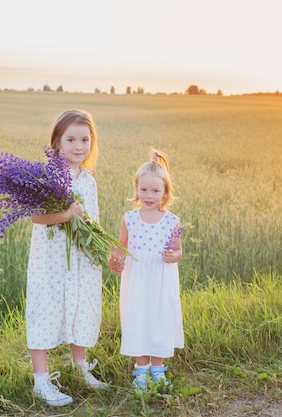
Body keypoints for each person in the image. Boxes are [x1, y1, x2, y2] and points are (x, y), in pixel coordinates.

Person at [26, 109, 108, 407]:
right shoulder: (47, 175)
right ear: (57, 143)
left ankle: (80, 368)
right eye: (71, 139)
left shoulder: (88, 179)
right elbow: (36, 217)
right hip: (51, 259)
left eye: (85, 139)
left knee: (80, 308)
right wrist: (67, 214)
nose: (78, 146)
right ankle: (41, 381)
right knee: (46, 309)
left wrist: (102, 248)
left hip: (82, 258)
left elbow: (92, 221)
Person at [107, 149, 184, 388]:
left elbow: (179, 251)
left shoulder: (172, 221)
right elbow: (122, 245)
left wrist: (173, 256)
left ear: (165, 192)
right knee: (138, 317)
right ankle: (141, 368)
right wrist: (115, 260)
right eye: (143, 189)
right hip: (137, 277)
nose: (148, 195)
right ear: (136, 188)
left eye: (155, 190)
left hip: (161, 277)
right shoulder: (130, 218)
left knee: (160, 318)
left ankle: (158, 368)